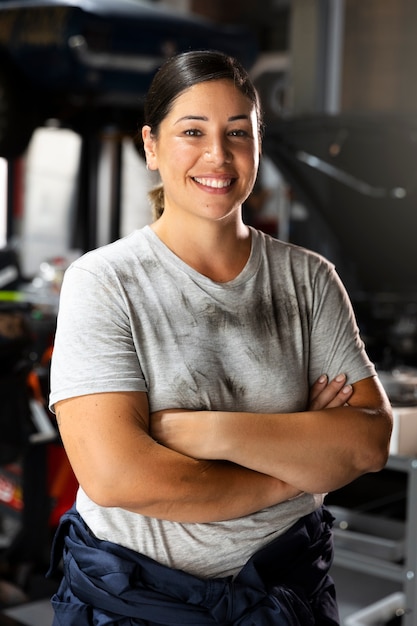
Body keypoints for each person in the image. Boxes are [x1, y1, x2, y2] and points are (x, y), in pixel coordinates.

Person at [47, 50, 393, 625]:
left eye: (238, 132)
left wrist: (202, 431)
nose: (218, 155)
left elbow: (366, 443)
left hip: (288, 593)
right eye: (192, 131)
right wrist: (299, 469)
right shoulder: (104, 282)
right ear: (151, 146)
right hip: (137, 604)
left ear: (257, 145)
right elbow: (116, 476)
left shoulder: (308, 278)